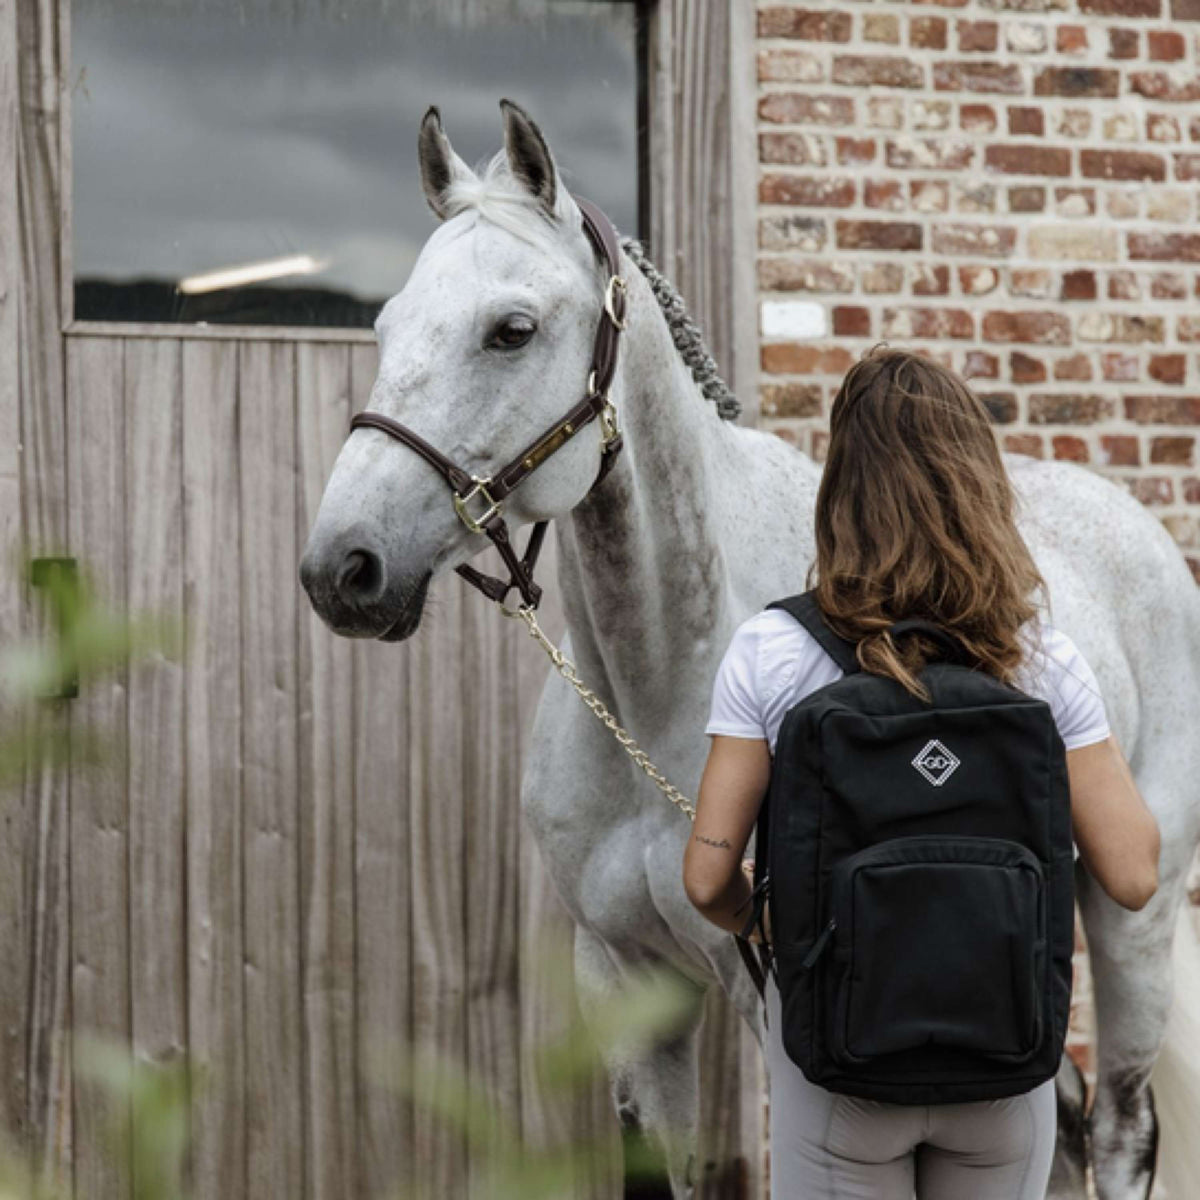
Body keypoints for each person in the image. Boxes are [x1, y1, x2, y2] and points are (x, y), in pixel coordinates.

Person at [681, 345, 1161, 1200]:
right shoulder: (1043, 661)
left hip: (839, 1068)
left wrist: (799, 928)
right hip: (1002, 1064)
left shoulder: (772, 651)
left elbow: (708, 878)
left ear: (840, 494)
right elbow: (1131, 874)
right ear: (981, 486)